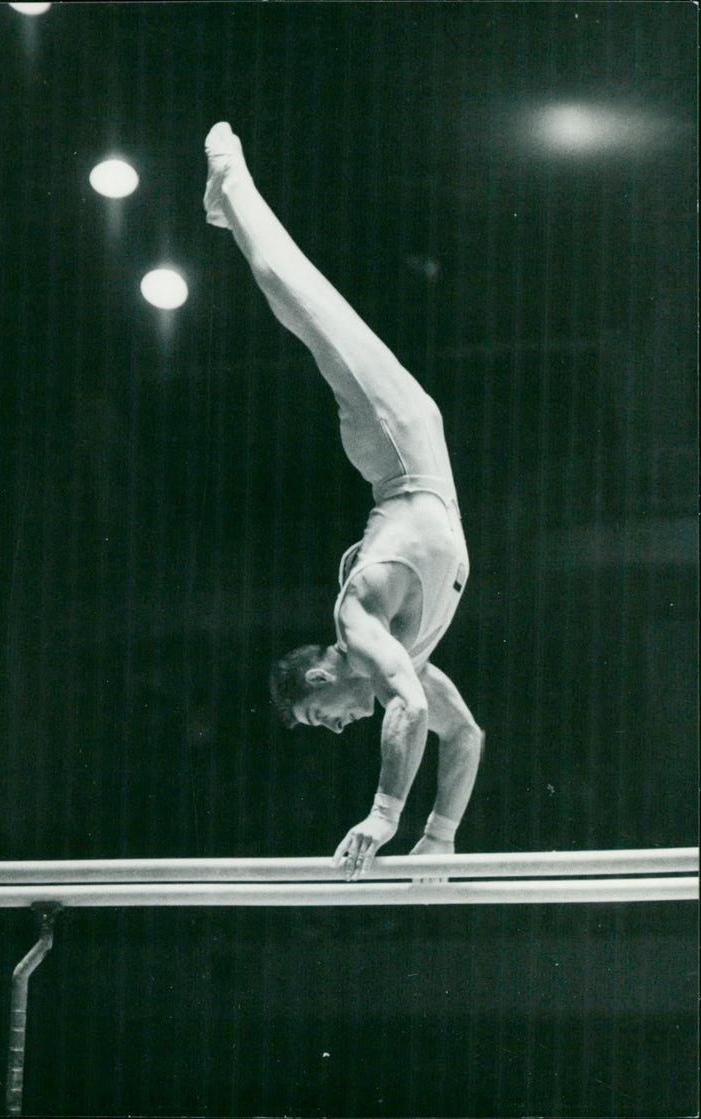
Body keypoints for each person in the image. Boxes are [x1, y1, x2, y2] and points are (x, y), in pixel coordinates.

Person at [204, 122, 483, 881]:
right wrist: (438, 838)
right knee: (302, 305)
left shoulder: (357, 625)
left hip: (396, 448)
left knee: (302, 300)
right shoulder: (403, 659)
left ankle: (229, 178)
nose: (333, 730)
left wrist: (385, 813)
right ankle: (233, 197)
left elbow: (410, 714)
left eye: (317, 718)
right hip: (417, 449)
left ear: (322, 677)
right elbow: (463, 735)